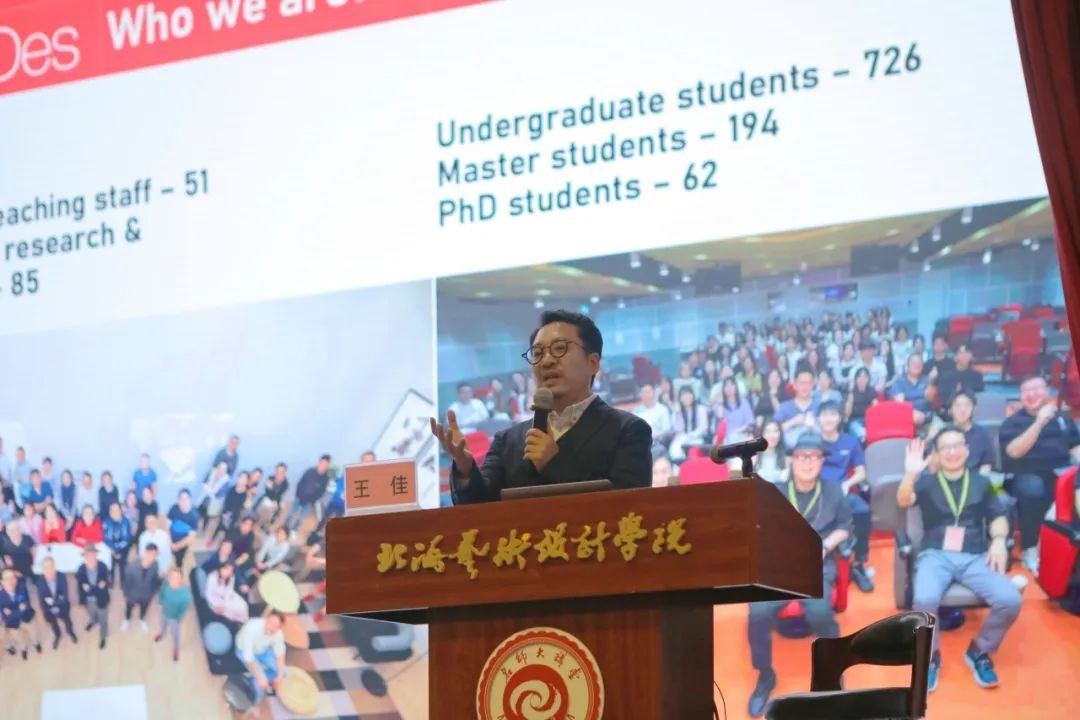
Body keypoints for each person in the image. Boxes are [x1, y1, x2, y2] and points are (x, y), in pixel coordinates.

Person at [433, 310, 652, 504]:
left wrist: (554, 463)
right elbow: (479, 510)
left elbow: (630, 509)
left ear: (593, 363)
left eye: (559, 349)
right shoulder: (507, 441)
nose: (546, 361)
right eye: (537, 353)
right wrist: (465, 468)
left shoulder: (628, 431)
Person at [897, 430, 1022, 691]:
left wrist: (999, 540)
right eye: (945, 448)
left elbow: (999, 515)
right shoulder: (926, 482)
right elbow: (903, 500)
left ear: (966, 449)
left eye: (957, 446)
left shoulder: (984, 482)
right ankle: (931, 656)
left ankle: (980, 650)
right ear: (936, 454)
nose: (952, 452)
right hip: (935, 555)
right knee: (924, 600)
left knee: (1010, 599)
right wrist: (910, 473)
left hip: (975, 555)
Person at [746, 434, 851, 717]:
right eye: (802, 456)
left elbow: (845, 527)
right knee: (758, 614)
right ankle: (765, 674)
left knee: (820, 613)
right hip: (781, 568)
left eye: (814, 456)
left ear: (821, 461)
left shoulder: (834, 491)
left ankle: (833, 670)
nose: (807, 462)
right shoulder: (775, 492)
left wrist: (825, 545)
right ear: (791, 460)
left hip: (817, 564)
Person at [999, 374, 1080, 571]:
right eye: (1026, 391)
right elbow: (1014, 452)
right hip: (1024, 475)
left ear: (1047, 391)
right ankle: (1030, 546)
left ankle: (1071, 544)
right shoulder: (1012, 423)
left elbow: (1075, 448)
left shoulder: (1062, 419)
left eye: (1036, 389)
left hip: (1061, 474)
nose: (1031, 394)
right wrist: (1039, 423)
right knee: (1033, 488)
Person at [817, 402, 874, 592]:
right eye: (824, 415)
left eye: (833, 414)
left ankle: (858, 564)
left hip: (842, 491)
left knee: (863, 511)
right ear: (818, 419)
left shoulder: (850, 442)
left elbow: (861, 472)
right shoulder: (812, 440)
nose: (828, 419)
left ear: (839, 418)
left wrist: (847, 484)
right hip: (817, 494)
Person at [235, 612, 288, 710]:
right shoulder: (252, 628)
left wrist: (280, 675)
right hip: (244, 650)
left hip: (262, 650)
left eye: (277, 626)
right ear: (266, 619)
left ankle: (260, 680)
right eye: (272, 623)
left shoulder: (278, 633)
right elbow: (248, 657)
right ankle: (254, 695)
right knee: (259, 685)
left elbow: (280, 653)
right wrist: (260, 677)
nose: (273, 628)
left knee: (284, 672)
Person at [946, 391, 995, 474]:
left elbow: (986, 464)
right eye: (958, 405)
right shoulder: (942, 434)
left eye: (967, 405)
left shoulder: (983, 433)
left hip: (976, 476)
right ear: (950, 410)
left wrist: (979, 480)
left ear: (974, 408)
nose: (963, 409)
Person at [36, 556, 77, 649]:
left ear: (54, 567)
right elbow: (41, 599)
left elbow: (65, 597)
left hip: (63, 607)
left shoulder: (61, 577)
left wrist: (53, 602)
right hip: (49, 609)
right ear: (43, 570)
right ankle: (57, 635)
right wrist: (45, 611)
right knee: (53, 624)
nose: (49, 570)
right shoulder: (40, 581)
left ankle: (70, 632)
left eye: (51, 566)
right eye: (46, 568)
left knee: (67, 621)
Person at [76, 544, 111, 650]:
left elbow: (107, 583)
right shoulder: (81, 569)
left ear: (96, 555)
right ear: (84, 557)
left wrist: (95, 587)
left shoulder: (103, 567)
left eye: (92, 555)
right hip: (88, 600)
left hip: (101, 599)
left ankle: (103, 636)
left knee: (103, 618)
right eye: (88, 556)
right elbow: (80, 586)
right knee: (92, 613)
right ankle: (93, 622)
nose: (90, 558)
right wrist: (82, 599)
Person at [0, 567, 41, 659]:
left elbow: (26, 605)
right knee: (19, 639)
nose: (10, 581)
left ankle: (36, 644)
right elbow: (6, 616)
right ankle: (24, 649)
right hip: (13, 624)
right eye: (7, 578)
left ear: (16, 579)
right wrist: (19, 609)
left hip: (27, 618)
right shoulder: (0, 596)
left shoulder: (22, 587)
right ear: (2, 581)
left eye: (12, 577)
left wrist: (12, 612)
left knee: (34, 634)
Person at [284, 455, 332, 533]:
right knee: (291, 513)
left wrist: (312, 501)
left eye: (325, 464)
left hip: (309, 502)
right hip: (299, 497)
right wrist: (297, 494)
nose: (322, 466)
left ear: (327, 466)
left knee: (301, 518)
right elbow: (300, 482)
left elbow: (321, 492)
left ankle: (294, 530)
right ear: (319, 462)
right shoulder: (309, 471)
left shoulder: (326, 478)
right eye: (322, 463)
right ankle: (284, 529)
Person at [774, 369, 820, 448]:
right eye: (802, 383)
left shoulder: (820, 405)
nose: (805, 387)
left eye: (808, 383)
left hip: (816, 450)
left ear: (813, 385)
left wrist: (815, 426)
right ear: (794, 385)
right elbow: (773, 431)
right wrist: (792, 422)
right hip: (790, 452)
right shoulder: (784, 407)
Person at [122, 544, 161, 633]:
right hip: (132, 595)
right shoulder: (132, 566)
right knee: (129, 609)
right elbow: (126, 583)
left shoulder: (155, 565)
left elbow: (155, 580)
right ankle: (127, 620)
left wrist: (152, 593)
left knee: (144, 609)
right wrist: (126, 595)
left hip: (146, 595)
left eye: (155, 555)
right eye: (150, 554)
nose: (152, 558)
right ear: (145, 552)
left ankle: (142, 619)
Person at [155, 566, 192, 662]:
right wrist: (160, 603)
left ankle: (176, 648)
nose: (173, 580)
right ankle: (162, 634)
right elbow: (162, 593)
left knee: (176, 633)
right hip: (163, 612)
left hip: (174, 618)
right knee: (162, 624)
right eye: (171, 577)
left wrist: (178, 619)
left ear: (181, 580)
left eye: (177, 578)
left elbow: (183, 610)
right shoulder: (166, 583)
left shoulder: (185, 595)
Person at [890, 354, 933, 426]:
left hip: (927, 416)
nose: (916, 365)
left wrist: (931, 382)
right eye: (913, 362)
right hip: (907, 416)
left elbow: (930, 399)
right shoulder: (899, 381)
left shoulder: (927, 380)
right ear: (907, 365)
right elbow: (900, 403)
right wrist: (912, 412)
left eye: (919, 363)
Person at [670, 386, 710, 461]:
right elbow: (677, 430)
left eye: (688, 394)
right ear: (680, 398)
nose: (686, 397)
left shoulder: (701, 409)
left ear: (693, 396)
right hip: (682, 439)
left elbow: (703, 428)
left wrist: (689, 436)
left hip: (697, 438)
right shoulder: (677, 412)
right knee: (675, 448)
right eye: (683, 395)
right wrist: (677, 413)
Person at [102, 501, 134, 585]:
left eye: (117, 510)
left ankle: (123, 582)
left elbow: (127, 539)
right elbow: (105, 538)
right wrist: (113, 550)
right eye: (112, 510)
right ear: (109, 512)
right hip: (110, 549)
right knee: (109, 561)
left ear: (121, 510)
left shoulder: (126, 521)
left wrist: (119, 551)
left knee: (123, 562)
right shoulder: (106, 522)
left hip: (123, 549)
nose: (115, 512)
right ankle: (110, 581)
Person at [633, 383, 673, 447]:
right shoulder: (636, 412)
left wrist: (653, 436)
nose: (646, 394)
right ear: (640, 395)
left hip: (658, 441)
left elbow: (666, 430)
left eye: (648, 391)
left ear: (654, 393)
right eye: (643, 392)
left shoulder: (662, 409)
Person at [167, 490, 199, 570]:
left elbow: (192, 537)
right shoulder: (174, 508)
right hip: (171, 540)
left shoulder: (194, 516)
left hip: (182, 544)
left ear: (190, 500)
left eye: (186, 498)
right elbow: (168, 524)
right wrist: (170, 540)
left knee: (179, 558)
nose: (183, 501)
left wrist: (177, 546)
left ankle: (178, 567)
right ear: (178, 500)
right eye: (181, 499)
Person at [717, 378, 755, 445]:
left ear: (736, 387)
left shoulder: (744, 402)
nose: (729, 387)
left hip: (741, 434)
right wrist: (721, 404)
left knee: (733, 438)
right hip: (725, 437)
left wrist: (736, 432)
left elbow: (750, 424)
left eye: (732, 384)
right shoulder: (721, 404)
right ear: (723, 389)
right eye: (726, 385)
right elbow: (720, 420)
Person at [845, 367, 877, 442]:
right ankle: (864, 436)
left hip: (869, 420)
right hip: (855, 421)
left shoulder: (872, 391)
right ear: (856, 379)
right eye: (860, 377)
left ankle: (865, 437)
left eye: (865, 377)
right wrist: (850, 402)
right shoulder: (851, 393)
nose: (862, 379)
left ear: (868, 379)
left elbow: (876, 410)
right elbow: (847, 414)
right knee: (854, 427)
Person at [754, 420, 789, 485]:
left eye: (775, 431)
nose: (772, 435)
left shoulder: (786, 459)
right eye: (768, 431)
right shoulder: (754, 457)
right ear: (762, 434)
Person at [256, 463, 289, 530]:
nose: (278, 473)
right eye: (277, 471)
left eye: (281, 472)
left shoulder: (285, 483)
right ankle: (259, 517)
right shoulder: (270, 478)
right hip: (268, 497)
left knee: (280, 507)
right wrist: (273, 499)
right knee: (267, 505)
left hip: (277, 498)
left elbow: (279, 494)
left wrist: (276, 502)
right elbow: (267, 492)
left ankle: (268, 523)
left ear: (284, 473)